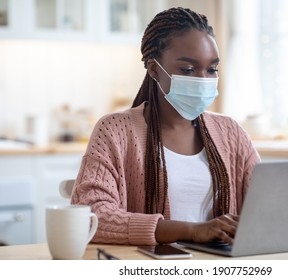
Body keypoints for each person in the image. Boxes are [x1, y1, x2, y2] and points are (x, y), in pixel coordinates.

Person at [71, 7, 260, 246]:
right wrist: (193, 231)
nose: (203, 79)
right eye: (188, 70)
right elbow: (90, 217)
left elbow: (265, 210)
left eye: (212, 69)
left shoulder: (231, 132)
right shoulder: (114, 130)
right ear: (153, 70)